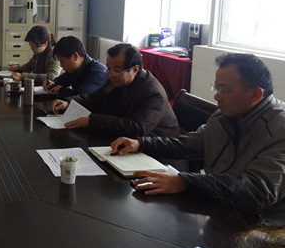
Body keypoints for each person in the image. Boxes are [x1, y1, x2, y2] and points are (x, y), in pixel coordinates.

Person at [111, 53, 285, 226]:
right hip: (220, 208)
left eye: (224, 90)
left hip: (263, 227)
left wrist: (185, 182)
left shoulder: (279, 129)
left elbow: (258, 190)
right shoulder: (223, 117)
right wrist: (140, 143)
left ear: (255, 95)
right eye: (216, 88)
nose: (217, 96)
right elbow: (187, 144)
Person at [51, 43, 180, 138]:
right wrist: (68, 103)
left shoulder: (152, 92)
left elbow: (136, 128)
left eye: (117, 70)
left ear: (135, 69)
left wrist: (91, 121)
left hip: (158, 152)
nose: (110, 74)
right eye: (108, 68)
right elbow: (92, 99)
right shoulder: (117, 80)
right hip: (126, 141)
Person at [42, 36, 108, 98]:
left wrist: (60, 90)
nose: (61, 65)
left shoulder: (97, 72)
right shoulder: (76, 69)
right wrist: (52, 83)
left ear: (75, 56)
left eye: (62, 61)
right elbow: (62, 79)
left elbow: (82, 95)